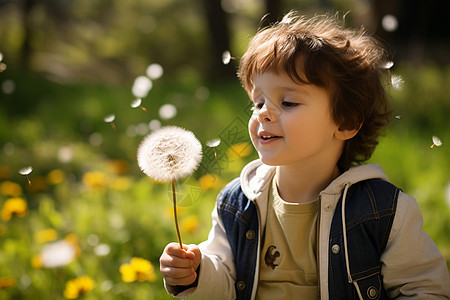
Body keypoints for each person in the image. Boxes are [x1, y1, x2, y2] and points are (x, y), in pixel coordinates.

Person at [159, 11, 450, 299]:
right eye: (257, 101)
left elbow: (424, 288)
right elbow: (224, 282)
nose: (264, 113)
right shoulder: (236, 203)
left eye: (288, 102)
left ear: (346, 122)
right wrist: (197, 272)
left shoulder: (384, 211)